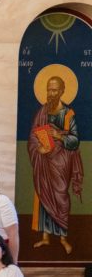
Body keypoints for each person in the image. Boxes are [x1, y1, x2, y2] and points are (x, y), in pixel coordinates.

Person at [28, 76, 83, 255]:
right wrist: (40, 149)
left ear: (62, 91)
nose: (51, 93)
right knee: (44, 196)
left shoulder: (68, 114)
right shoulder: (42, 112)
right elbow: (33, 136)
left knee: (60, 197)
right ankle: (45, 237)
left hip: (61, 163)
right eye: (48, 90)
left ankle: (63, 238)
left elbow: (75, 140)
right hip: (44, 161)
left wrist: (58, 136)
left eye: (54, 90)